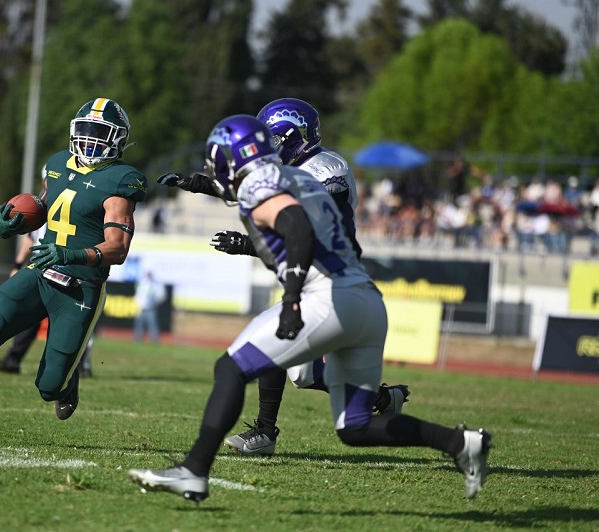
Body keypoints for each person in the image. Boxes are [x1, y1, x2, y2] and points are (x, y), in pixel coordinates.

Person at [129, 114, 491, 502]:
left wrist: (291, 297)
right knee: (354, 428)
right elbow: (249, 193)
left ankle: (194, 471)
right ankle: (460, 442)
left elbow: (295, 225)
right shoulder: (296, 178)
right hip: (366, 303)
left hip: (327, 296)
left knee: (230, 368)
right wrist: (195, 184)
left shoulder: (265, 183)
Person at [157, 98, 409, 456]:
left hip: (333, 278)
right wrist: (198, 183)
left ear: (296, 138)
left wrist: (247, 243)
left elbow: (299, 227)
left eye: (273, 142)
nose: (266, 152)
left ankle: (263, 433)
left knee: (271, 347)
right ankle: (384, 398)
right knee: (303, 375)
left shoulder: (326, 167)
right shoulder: (293, 170)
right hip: (311, 277)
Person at [0, 97, 147, 440]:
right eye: (87, 131)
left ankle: (65, 381)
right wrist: (14, 225)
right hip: (39, 272)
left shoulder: (122, 180)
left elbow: (117, 248)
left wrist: (70, 255)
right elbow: (44, 208)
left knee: (48, 386)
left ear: (118, 139)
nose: (92, 139)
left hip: (80, 287)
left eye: (100, 132)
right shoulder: (58, 163)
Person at [0, 223, 94, 378]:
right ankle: (13, 359)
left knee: (70, 320)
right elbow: (31, 238)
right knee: (28, 315)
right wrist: (18, 264)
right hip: (40, 267)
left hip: (67, 269)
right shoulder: (45, 204)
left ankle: (79, 366)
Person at [133, 270, 166, 343]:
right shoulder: (142, 283)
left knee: (152, 326)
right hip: (140, 309)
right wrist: (137, 303)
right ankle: (137, 341)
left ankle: (154, 341)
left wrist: (154, 302)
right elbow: (138, 294)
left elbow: (161, 296)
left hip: (151, 309)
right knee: (139, 326)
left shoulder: (156, 285)